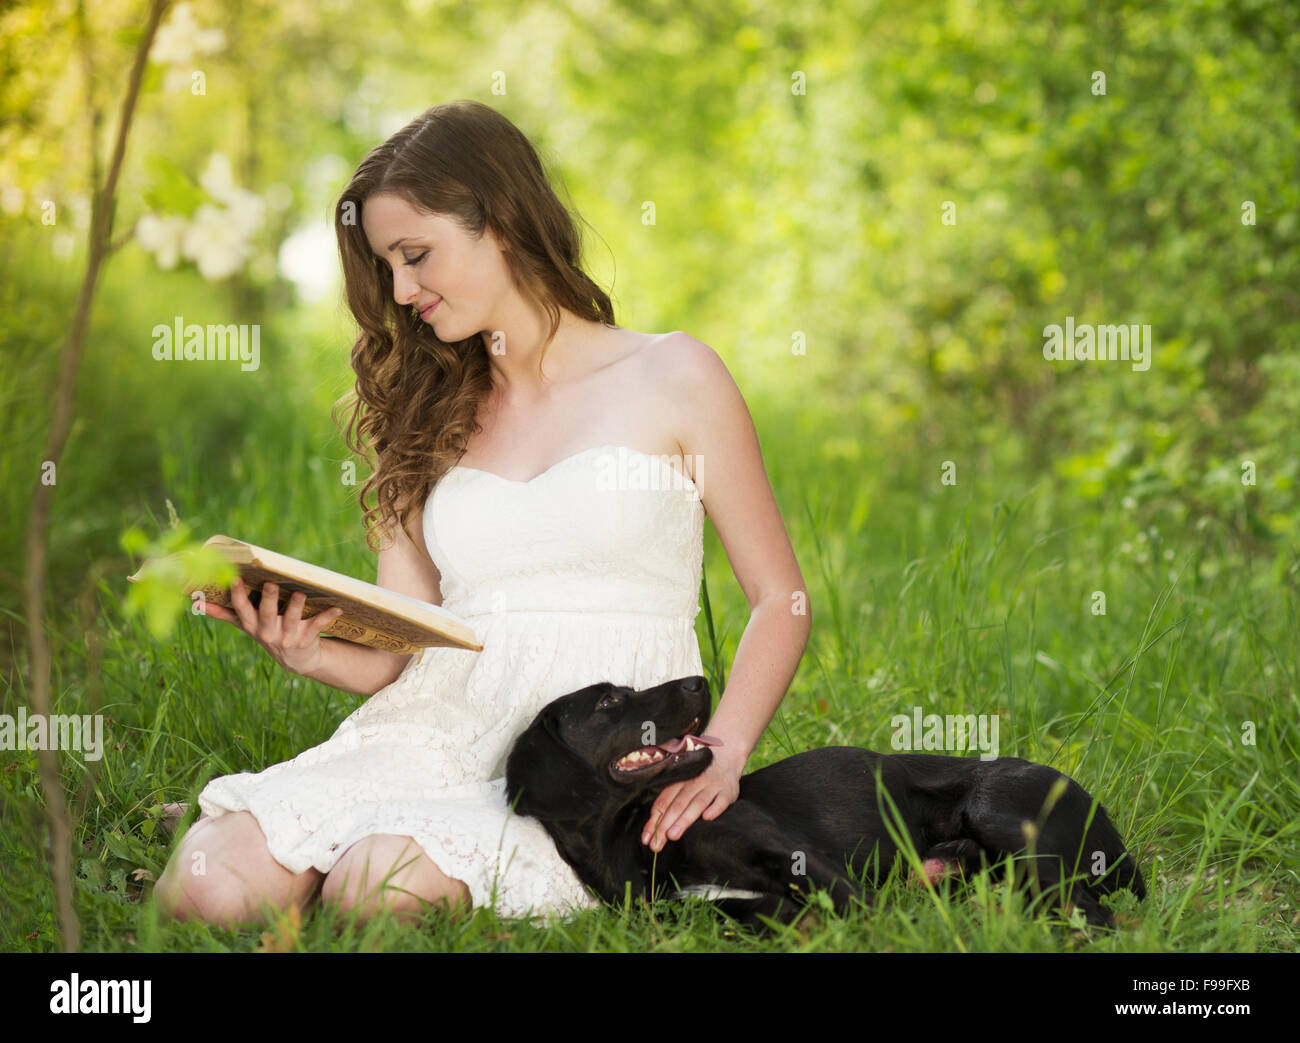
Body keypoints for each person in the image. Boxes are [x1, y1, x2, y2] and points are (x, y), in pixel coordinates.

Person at [153, 99, 811, 927]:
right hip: (433, 722)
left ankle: (338, 865)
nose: (400, 288)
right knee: (203, 888)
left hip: (586, 753)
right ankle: (309, 840)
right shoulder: (423, 409)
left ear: (498, 219)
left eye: (416, 255)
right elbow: (401, 642)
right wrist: (306, 647)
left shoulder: (673, 374)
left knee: (373, 892)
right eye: (387, 265)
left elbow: (780, 599)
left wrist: (725, 750)